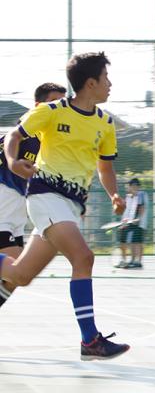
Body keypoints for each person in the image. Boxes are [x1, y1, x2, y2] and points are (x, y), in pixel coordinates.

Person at [0, 52, 130, 360]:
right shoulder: (51, 112)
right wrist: (13, 161)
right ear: (90, 83)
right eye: (106, 78)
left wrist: (114, 194)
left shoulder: (105, 124)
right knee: (83, 257)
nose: (110, 84)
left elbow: (105, 168)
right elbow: (13, 137)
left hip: (71, 206)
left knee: (20, 275)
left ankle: (90, 341)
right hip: (45, 198)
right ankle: (90, 341)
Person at [0, 83, 67, 309]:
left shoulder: (55, 142)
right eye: (53, 104)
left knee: (19, 276)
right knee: (18, 270)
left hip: (17, 215)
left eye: (62, 105)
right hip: (3, 207)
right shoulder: (24, 133)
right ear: (38, 106)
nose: (58, 110)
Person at [116, 177, 148, 269]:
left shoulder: (141, 194)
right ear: (129, 187)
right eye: (132, 185)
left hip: (139, 223)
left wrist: (138, 219)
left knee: (136, 242)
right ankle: (124, 260)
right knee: (123, 241)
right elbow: (127, 211)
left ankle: (137, 261)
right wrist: (123, 221)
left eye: (136, 185)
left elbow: (142, 207)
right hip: (128, 223)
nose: (134, 187)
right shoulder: (128, 197)